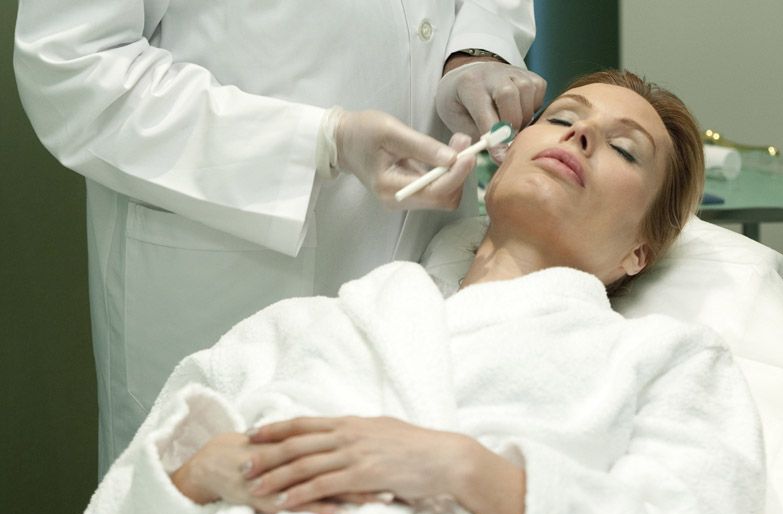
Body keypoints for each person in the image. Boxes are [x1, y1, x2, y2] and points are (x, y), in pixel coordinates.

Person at [72, 70, 765, 514]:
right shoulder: (315, 322)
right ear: (503, 156)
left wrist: (462, 469)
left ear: (638, 253)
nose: (580, 137)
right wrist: (200, 474)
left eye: (623, 148)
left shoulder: (666, 363)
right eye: (562, 118)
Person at [13, 1, 547, 473]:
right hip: (235, 273)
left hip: (424, 256)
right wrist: (318, 142)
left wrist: (476, 49)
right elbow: (71, 65)